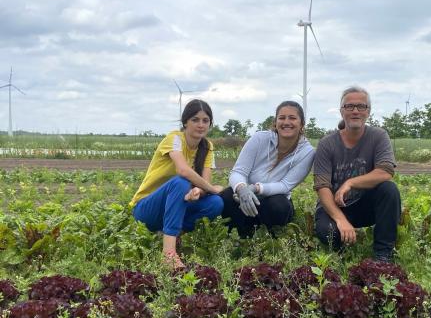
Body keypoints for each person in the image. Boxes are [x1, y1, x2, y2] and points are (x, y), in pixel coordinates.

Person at [130, 99, 224, 269]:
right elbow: (183, 170)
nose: (200, 125)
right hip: (147, 209)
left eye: (205, 120)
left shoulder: (208, 147)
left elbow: (204, 184)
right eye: (195, 120)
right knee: (180, 183)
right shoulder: (174, 138)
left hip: (175, 206)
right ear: (185, 122)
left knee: (216, 203)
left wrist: (198, 192)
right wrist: (212, 189)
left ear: (210, 124)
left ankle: (170, 234)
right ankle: (168, 255)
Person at [313, 86, 401, 262]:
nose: (355, 111)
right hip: (334, 206)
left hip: (364, 204)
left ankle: (383, 254)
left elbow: (385, 171)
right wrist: (340, 220)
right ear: (341, 111)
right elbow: (322, 187)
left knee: (389, 190)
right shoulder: (327, 143)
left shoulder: (379, 136)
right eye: (349, 106)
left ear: (368, 112)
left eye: (361, 106)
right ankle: (342, 245)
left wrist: (350, 183)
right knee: (329, 234)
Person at [220, 101, 315, 237]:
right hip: (245, 196)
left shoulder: (307, 152)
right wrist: (242, 188)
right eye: (282, 118)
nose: (286, 122)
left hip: (274, 199)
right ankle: (240, 235)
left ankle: (269, 236)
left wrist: (256, 188)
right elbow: (238, 172)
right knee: (227, 197)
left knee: (279, 206)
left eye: (292, 118)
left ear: (301, 124)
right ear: (275, 122)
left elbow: (285, 185)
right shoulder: (259, 139)